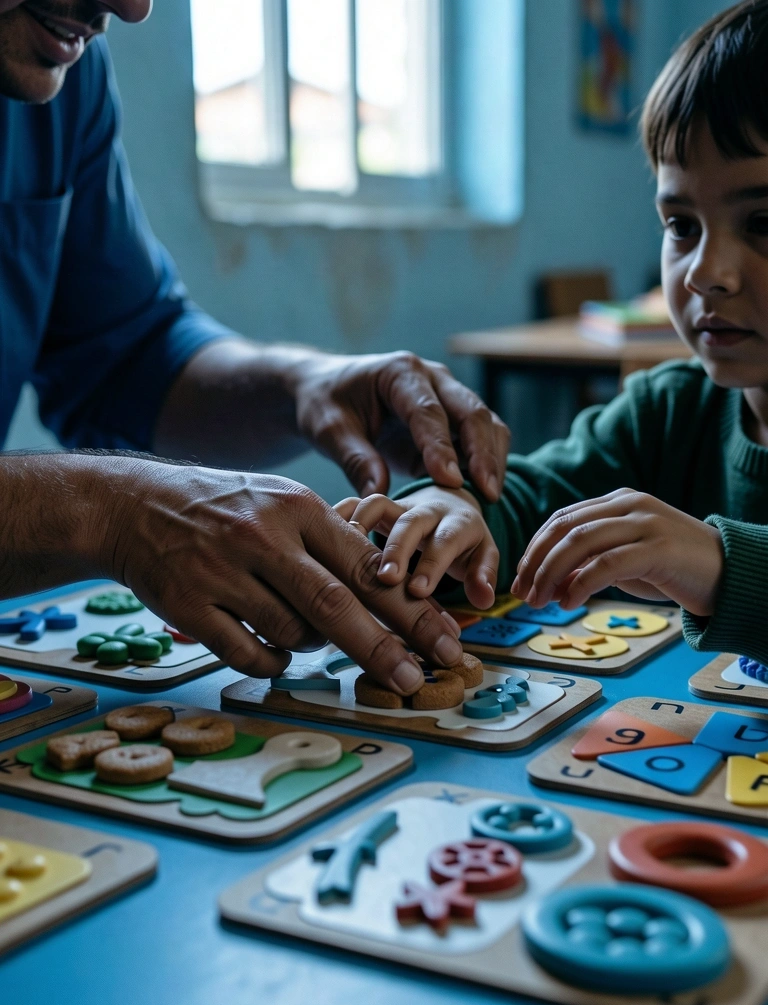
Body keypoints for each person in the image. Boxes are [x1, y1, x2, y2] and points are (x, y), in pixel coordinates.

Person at [0, 0, 511, 695]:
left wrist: (304, 386)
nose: (132, 6)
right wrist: (113, 512)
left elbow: (127, 356)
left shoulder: (58, 68)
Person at [338, 0, 768, 666]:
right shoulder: (666, 411)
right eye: (681, 225)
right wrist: (454, 510)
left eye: (762, 223)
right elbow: (538, 496)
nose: (706, 273)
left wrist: (719, 565)